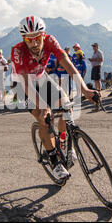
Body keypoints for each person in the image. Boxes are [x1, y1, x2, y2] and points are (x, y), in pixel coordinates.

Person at [11, 16, 97, 180]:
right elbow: (27, 83)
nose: (34, 43)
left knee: (66, 105)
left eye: (37, 38)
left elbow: (67, 64)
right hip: (23, 85)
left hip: (41, 78)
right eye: (29, 40)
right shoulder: (17, 50)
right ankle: (54, 160)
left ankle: (63, 139)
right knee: (44, 118)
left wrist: (85, 89)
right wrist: (44, 107)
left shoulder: (51, 41)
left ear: (43, 35)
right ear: (24, 39)